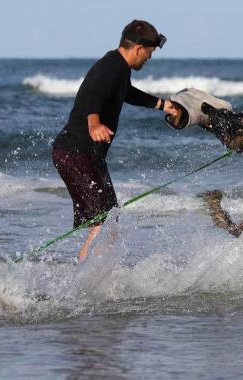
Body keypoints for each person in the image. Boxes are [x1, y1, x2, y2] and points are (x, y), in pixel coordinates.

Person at [52, 20, 178, 263]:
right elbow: (95, 91)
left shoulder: (118, 68)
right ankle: (87, 282)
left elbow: (127, 93)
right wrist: (93, 122)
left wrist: (162, 104)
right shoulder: (112, 67)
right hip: (77, 153)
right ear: (139, 47)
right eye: (150, 53)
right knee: (103, 224)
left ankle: (89, 275)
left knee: (107, 221)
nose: (149, 58)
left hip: (82, 155)